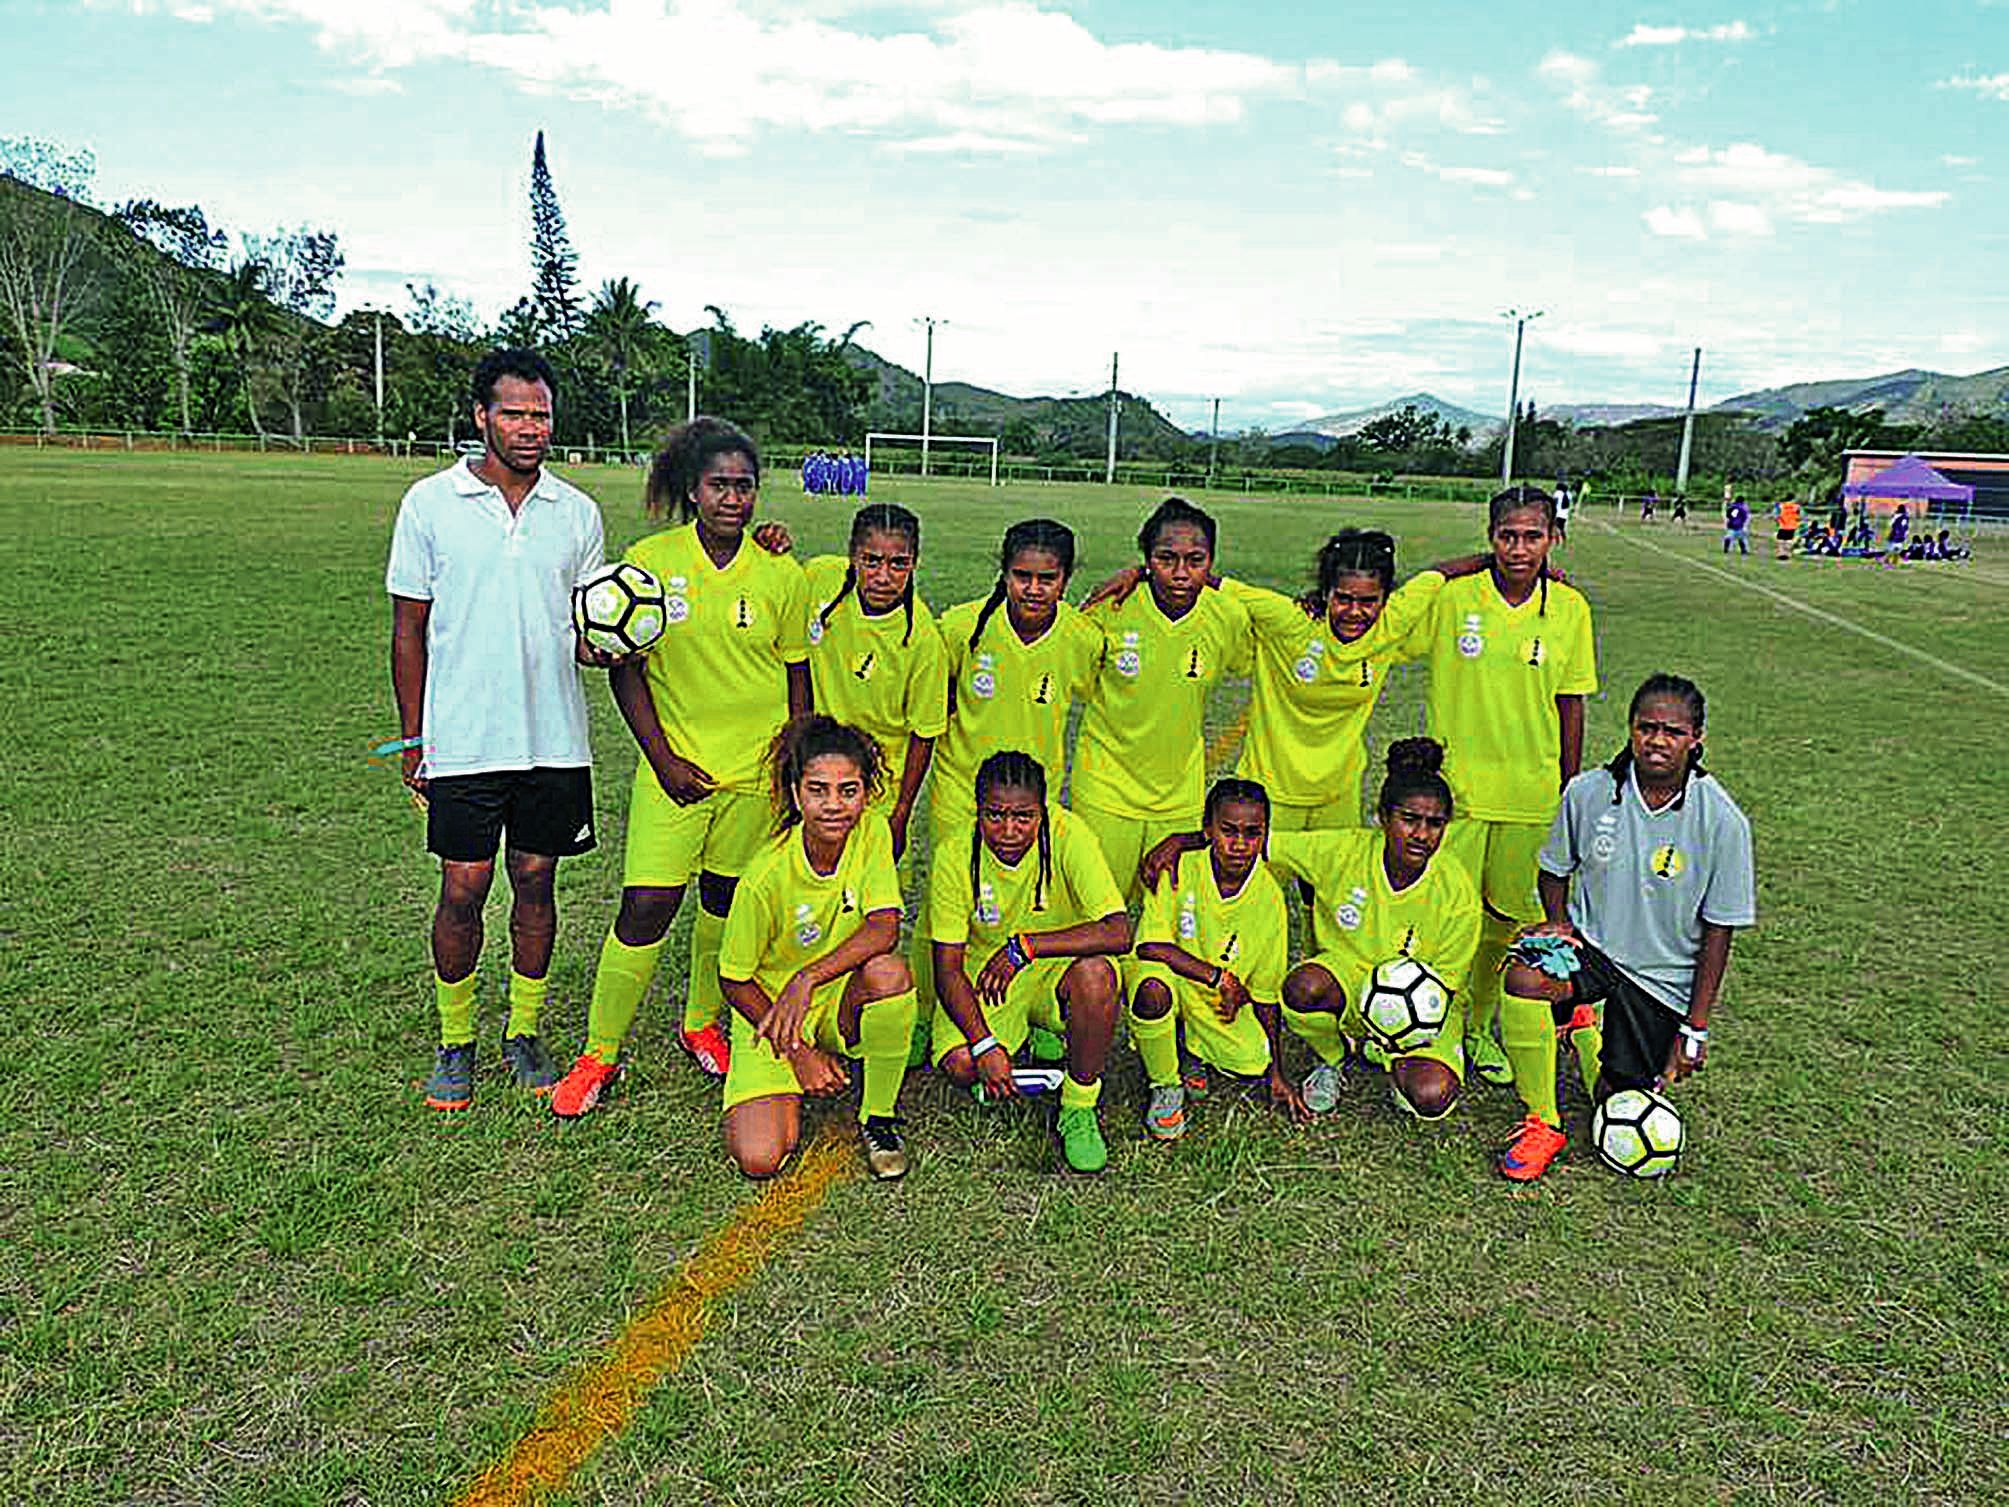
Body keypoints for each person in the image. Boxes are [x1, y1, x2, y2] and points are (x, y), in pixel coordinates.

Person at [552, 418, 811, 1117]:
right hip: (675, 774)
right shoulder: (649, 561)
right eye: (719, 485)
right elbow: (625, 668)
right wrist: (660, 757)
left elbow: (797, 677)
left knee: (725, 905)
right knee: (645, 907)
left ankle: (701, 1022)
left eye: (745, 486)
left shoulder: (780, 573)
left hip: (755, 777)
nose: (733, 498)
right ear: (692, 490)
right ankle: (597, 1054)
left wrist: (792, 764)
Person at [386, 347, 614, 1112]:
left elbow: (588, 630)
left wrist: (610, 639)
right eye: (514, 412)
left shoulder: (576, 513)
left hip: (552, 736)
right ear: (481, 415)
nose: (529, 427)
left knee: (536, 881)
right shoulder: (430, 502)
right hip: (464, 738)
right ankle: (456, 1042)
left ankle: (524, 1030)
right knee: (464, 885)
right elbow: (408, 630)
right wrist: (415, 738)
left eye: (541, 413)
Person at [1497, 674, 1755, 1180]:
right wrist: (1557, 922)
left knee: (1618, 1101)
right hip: (1592, 948)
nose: (1657, 741)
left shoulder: (1722, 821)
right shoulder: (1590, 792)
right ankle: (1543, 1121)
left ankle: (1586, 1032)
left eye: (1673, 732)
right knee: (1524, 977)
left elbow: (1719, 932)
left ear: (1696, 738)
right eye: (1646, 727)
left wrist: (1695, 1029)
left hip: (1662, 977)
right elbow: (1554, 867)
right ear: (1631, 729)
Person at [1396, 485, 1597, 1102]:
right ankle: (1435, 1031)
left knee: (1507, 925)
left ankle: (1477, 1025)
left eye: (1532, 536)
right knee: (1444, 918)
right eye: (1506, 536)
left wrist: (1569, 788)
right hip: (1454, 794)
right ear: (1489, 537)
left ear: (1552, 539)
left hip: (1531, 794)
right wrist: (1457, 566)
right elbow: (1399, 613)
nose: (1518, 548)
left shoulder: (1569, 608)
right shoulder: (1456, 598)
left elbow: (1572, 703)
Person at [919, 521, 1103, 1045]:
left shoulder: (1083, 638)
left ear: (1066, 579)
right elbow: (940, 700)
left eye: (1048, 577)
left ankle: (1028, 1005)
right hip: (963, 790)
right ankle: (927, 1012)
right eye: (1022, 575)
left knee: (1033, 902)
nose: (1033, 588)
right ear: (1003, 572)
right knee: (950, 907)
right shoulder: (961, 627)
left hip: (1032, 801)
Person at [717, 716, 918, 1180]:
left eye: (848, 790)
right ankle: (796, 1071)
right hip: (772, 1009)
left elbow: (884, 927)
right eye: (818, 790)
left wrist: (807, 978)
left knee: (889, 973)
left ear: (866, 793)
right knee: (760, 1157)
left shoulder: (872, 834)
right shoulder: (764, 876)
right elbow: (732, 978)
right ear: (795, 793)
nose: (834, 805)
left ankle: (878, 1118)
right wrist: (798, 1051)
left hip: (832, 996)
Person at [927, 751, 1132, 1174]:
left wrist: (1026, 947)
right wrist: (984, 1044)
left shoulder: (1070, 834)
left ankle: (1077, 1105)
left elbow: (1118, 932)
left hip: (1055, 966)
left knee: (1097, 976)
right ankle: (1016, 1051)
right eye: (994, 815)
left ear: (1044, 810)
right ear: (977, 808)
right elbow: (947, 969)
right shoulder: (953, 854)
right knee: (962, 1064)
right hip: (990, 975)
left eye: (1023, 816)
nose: (1008, 830)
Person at [1261, 740, 1481, 1119]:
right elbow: (1257, 843)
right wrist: (1183, 841)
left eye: (1434, 824)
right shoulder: (1344, 850)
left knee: (1431, 1096)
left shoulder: (1456, 890)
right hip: (1349, 981)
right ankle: (1334, 1057)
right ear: (1382, 817)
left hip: (1421, 1012)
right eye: (1409, 819)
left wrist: (1397, 1028)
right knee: (1302, 987)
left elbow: (1444, 986)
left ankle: (1390, 1057)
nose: (1422, 834)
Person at [1073, 497, 1251, 896]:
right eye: (1166, 558)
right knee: (1098, 911)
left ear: (1212, 562)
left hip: (1180, 795)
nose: (1181, 573)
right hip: (1106, 788)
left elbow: (1256, 654)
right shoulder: (1111, 608)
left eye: (1196, 559)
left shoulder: (1228, 617)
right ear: (1147, 559)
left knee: (1169, 914)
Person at [1129, 778, 1301, 1139]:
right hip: (1176, 981)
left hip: (1216, 1002)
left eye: (1252, 833)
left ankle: (1189, 1045)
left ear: (1265, 834)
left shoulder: (1270, 897)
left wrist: (1276, 1071)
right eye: (1228, 831)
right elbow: (1148, 946)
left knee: (1252, 1059)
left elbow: (1267, 994)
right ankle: (1165, 1084)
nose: (1239, 844)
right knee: (1151, 990)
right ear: (1207, 829)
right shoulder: (1177, 867)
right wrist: (1217, 976)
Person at [802, 503, 947, 862]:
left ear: (914, 562)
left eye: (898, 563)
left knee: (872, 898)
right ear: (852, 556)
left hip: (877, 789)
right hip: (814, 772)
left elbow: (924, 735)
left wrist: (900, 816)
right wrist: (767, 542)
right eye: (871, 560)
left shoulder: (923, 641)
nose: (884, 576)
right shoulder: (820, 578)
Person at [1775, 496, 1801, 561]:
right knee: (1789, 540)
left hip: (1783, 526)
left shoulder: (1781, 506)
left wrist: (1778, 522)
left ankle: (1781, 553)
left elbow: (1777, 516)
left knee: (1780, 540)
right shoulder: (1797, 507)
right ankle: (1787, 554)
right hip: (1792, 526)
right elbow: (1799, 517)